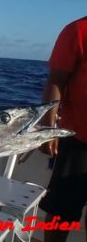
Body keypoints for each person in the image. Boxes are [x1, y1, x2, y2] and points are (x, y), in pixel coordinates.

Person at [38, 16, 87, 242]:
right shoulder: (78, 30)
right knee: (62, 210)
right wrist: (49, 127)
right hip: (77, 139)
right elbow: (56, 81)